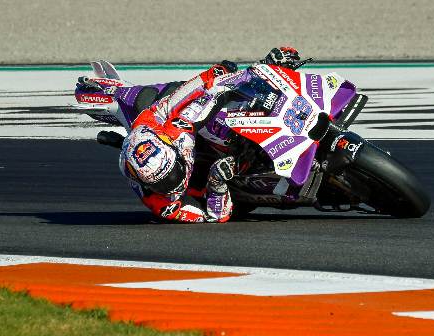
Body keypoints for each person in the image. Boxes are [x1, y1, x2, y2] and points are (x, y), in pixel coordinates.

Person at [119, 47, 300, 223]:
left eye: (173, 173)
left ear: (170, 147)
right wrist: (216, 183)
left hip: (179, 128)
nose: (173, 183)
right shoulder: (165, 205)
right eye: (162, 184)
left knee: (216, 107)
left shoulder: (171, 126)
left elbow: (187, 94)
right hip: (211, 185)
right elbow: (215, 216)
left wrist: (260, 70)